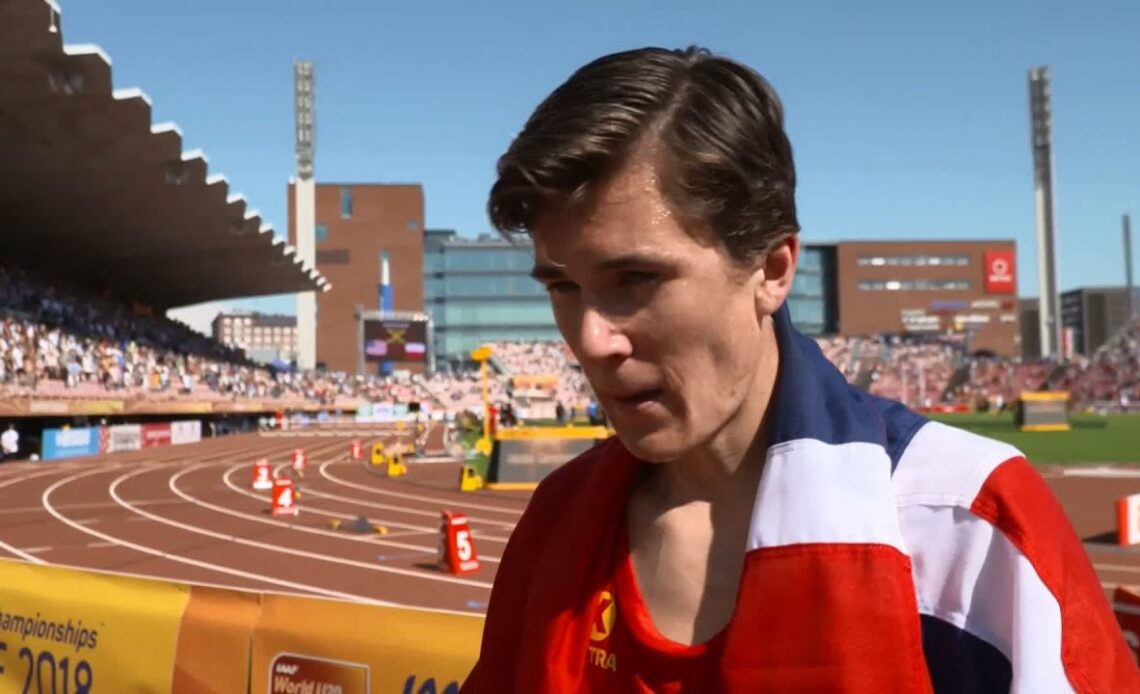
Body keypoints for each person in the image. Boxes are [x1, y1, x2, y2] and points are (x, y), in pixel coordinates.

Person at [460, 46, 1139, 692]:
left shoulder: (969, 524)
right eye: (561, 286)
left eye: (636, 278)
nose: (590, 339)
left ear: (772, 269)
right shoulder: (556, 522)